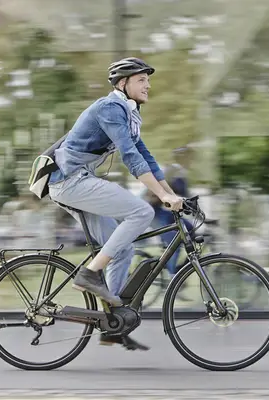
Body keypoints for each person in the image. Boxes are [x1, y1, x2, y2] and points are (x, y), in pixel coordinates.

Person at [47, 57, 183, 350]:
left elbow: (146, 158)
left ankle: (112, 324)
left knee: (123, 248)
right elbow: (129, 157)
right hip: (70, 181)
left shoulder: (129, 115)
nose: (148, 85)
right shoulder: (110, 108)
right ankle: (90, 273)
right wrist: (161, 198)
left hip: (77, 181)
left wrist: (171, 194)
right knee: (141, 211)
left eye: (148, 80)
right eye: (141, 80)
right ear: (122, 83)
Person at [147, 146, 194, 280]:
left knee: (190, 228)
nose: (191, 161)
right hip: (152, 212)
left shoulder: (179, 172)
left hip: (161, 211)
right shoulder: (174, 172)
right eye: (189, 158)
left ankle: (176, 267)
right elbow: (183, 195)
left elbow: (186, 198)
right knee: (175, 241)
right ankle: (172, 279)